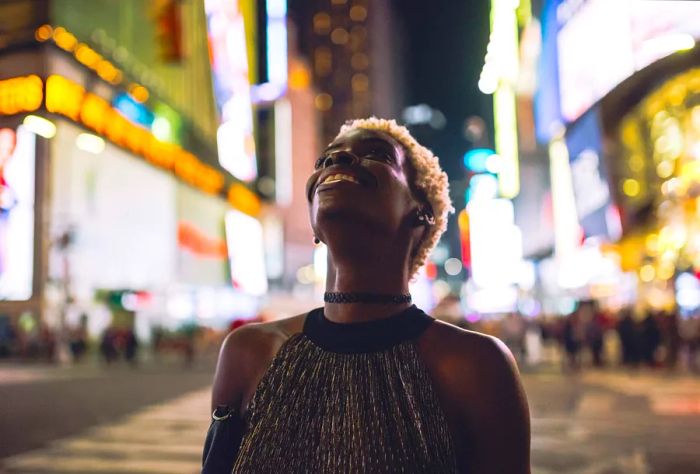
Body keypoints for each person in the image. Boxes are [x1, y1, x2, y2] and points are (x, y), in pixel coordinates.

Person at [203, 118, 531, 473]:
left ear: (421, 210)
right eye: (325, 161)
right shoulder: (248, 351)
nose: (335, 163)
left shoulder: (476, 365)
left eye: (376, 154)